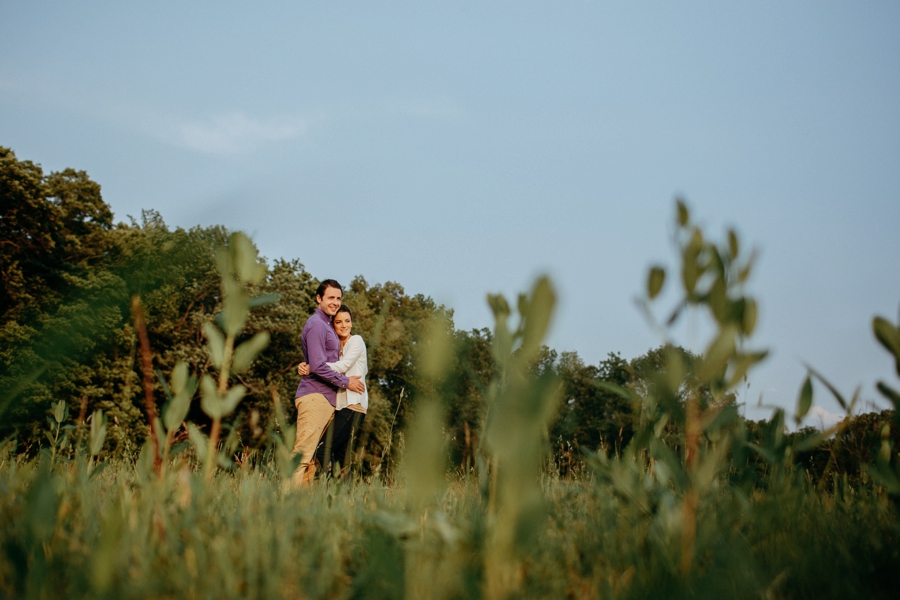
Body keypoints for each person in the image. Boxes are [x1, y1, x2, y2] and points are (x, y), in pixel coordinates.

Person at [291, 280, 365, 487]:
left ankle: (300, 506)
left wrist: (308, 364)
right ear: (319, 298)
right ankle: (285, 502)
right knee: (303, 455)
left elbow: (319, 362)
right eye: (330, 297)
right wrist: (345, 382)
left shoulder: (328, 326)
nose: (335, 302)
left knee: (313, 461)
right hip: (315, 396)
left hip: (328, 399)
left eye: (338, 298)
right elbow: (319, 365)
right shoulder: (316, 324)